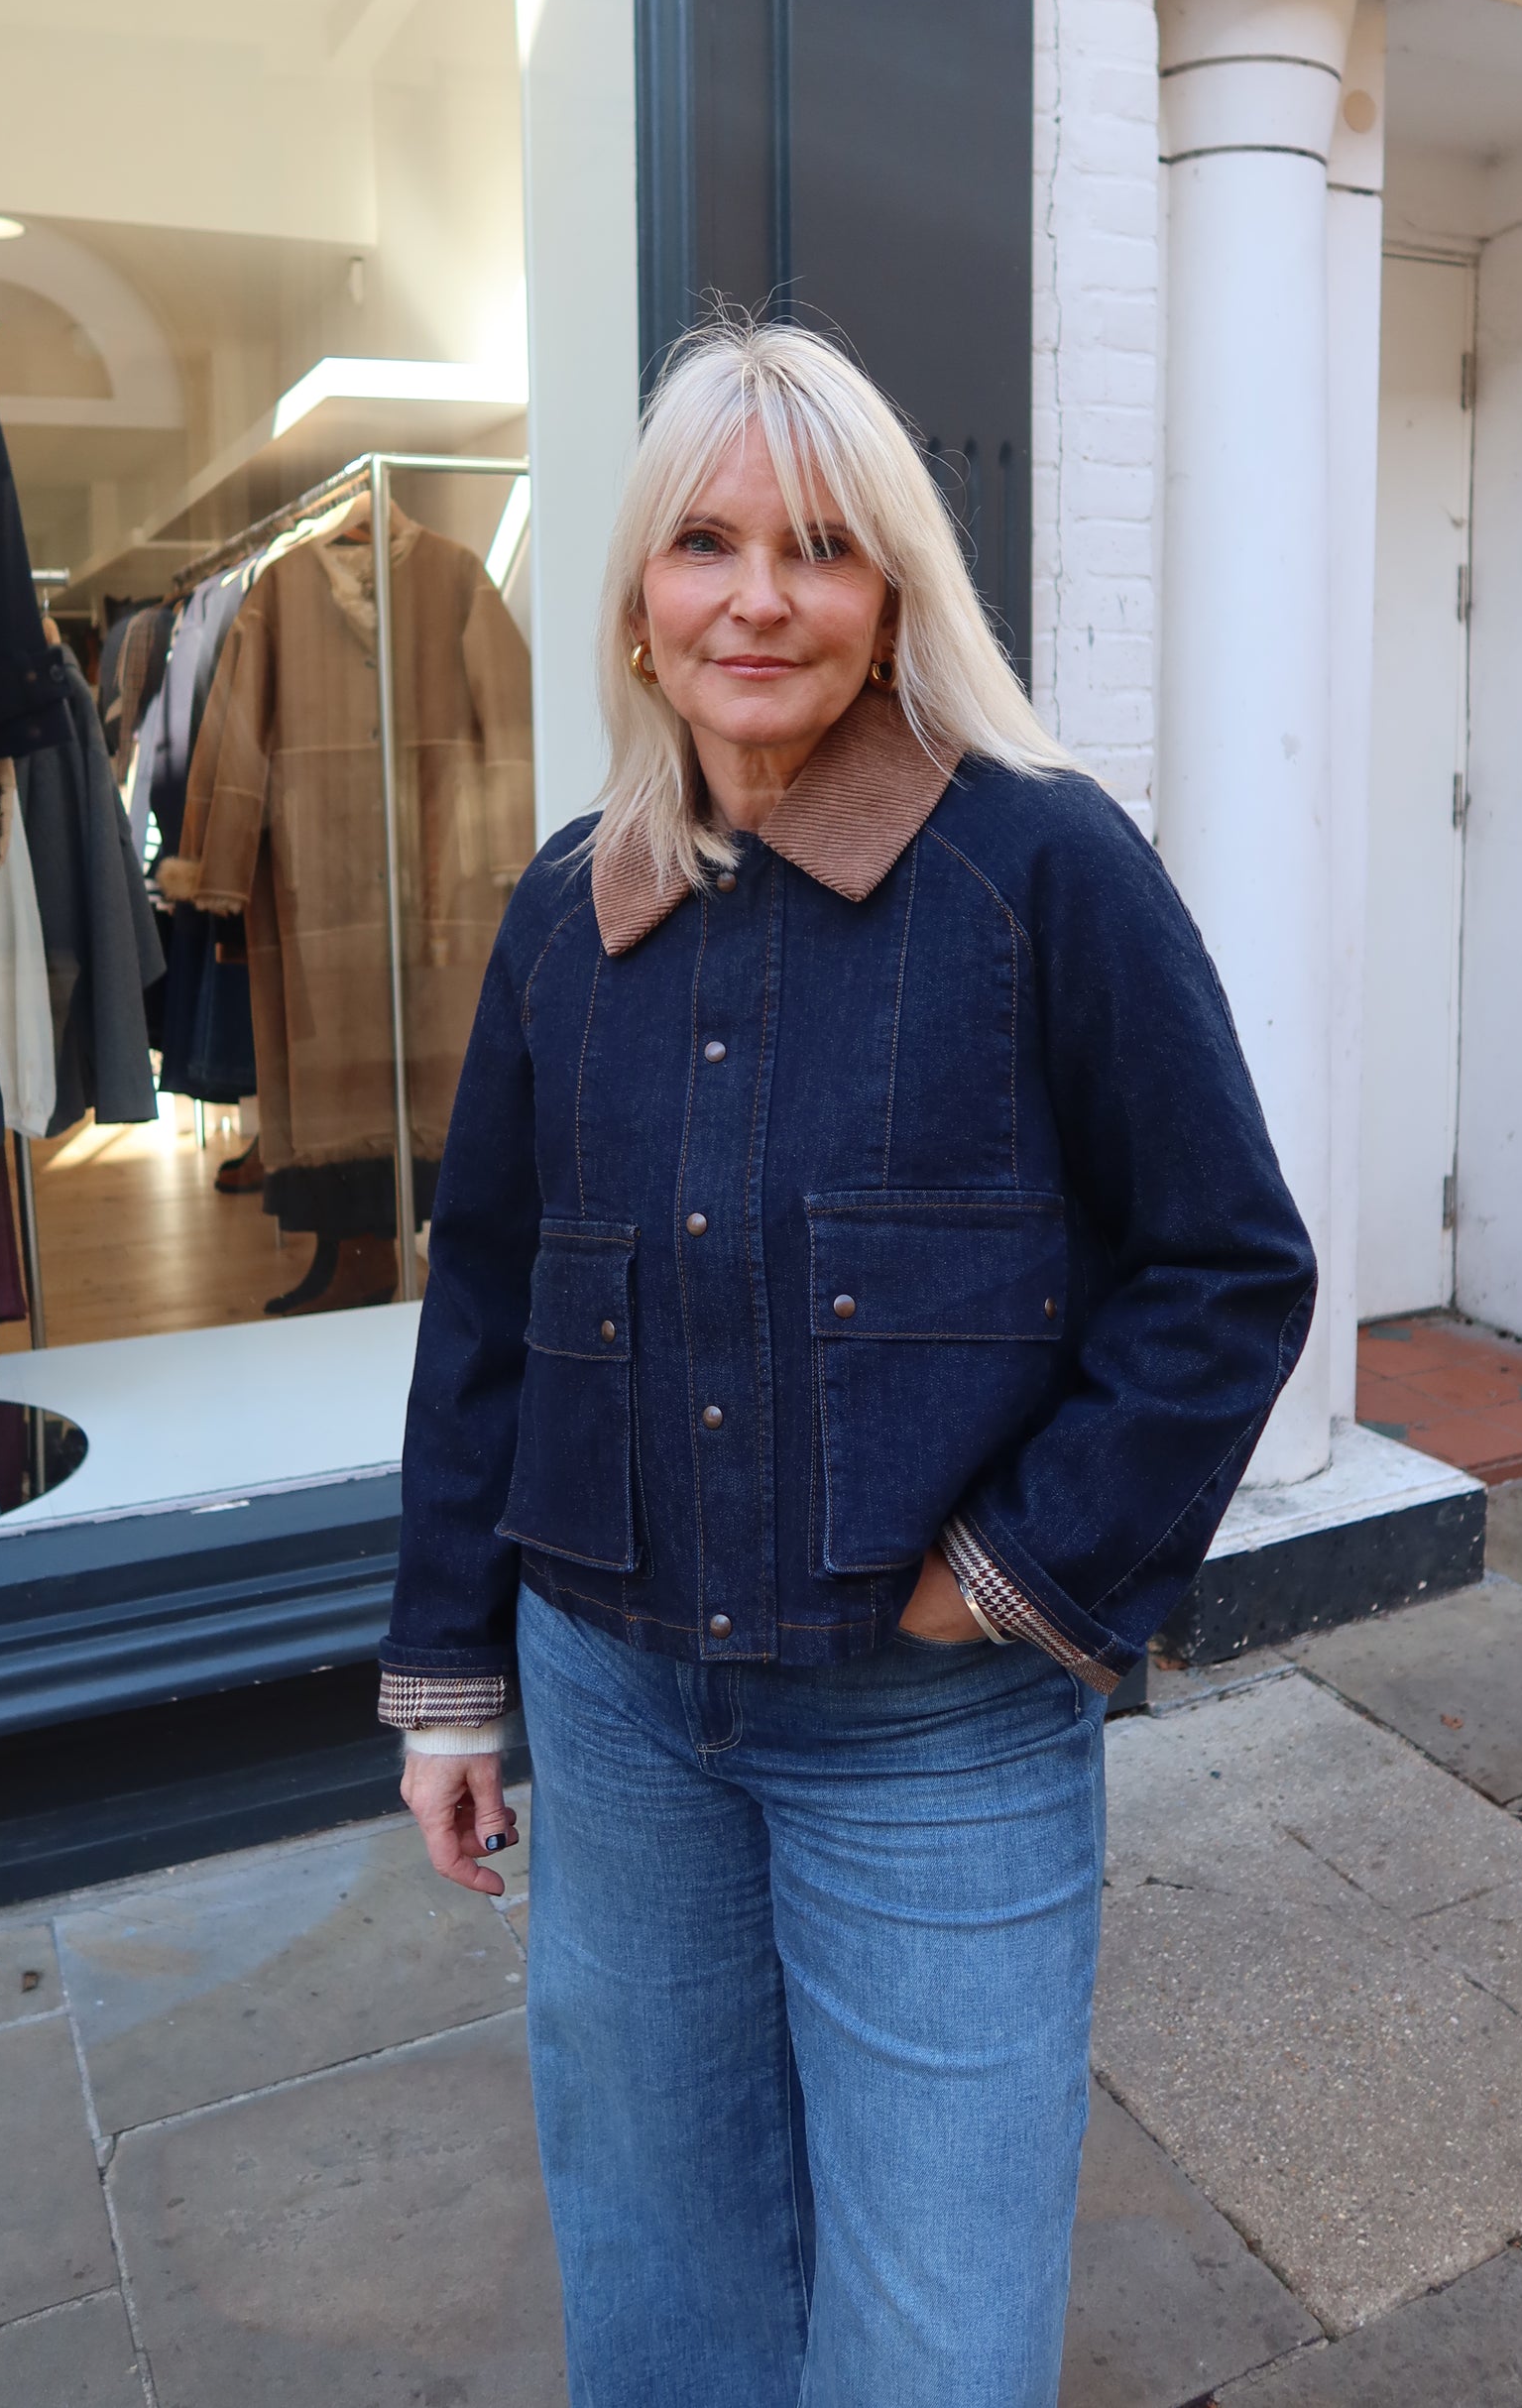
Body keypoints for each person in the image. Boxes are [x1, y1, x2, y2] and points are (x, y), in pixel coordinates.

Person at [381, 318, 1315, 2405]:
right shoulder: (566, 908)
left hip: (932, 1731)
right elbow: (493, 1306)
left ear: (895, 587)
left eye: (818, 545)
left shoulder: (1043, 868)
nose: (758, 596)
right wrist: (452, 1677)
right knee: (661, 2275)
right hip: (612, 1714)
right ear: (635, 595)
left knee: (938, 2330)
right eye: (703, 543)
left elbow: (1226, 1267)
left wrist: (1007, 1576)